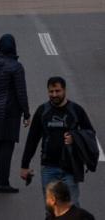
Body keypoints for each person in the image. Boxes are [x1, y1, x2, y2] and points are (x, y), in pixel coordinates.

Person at [20, 77, 96, 206]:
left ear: (64, 90)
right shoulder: (42, 111)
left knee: (71, 207)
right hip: (49, 167)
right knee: (51, 209)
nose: (54, 95)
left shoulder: (76, 110)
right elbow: (32, 139)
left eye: (57, 91)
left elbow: (90, 133)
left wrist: (75, 137)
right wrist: (24, 166)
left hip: (71, 167)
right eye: (51, 91)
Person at [0, 33, 30, 193]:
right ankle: (3, 182)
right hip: (9, 110)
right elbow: (21, 92)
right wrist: (27, 113)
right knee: (7, 146)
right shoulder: (16, 67)